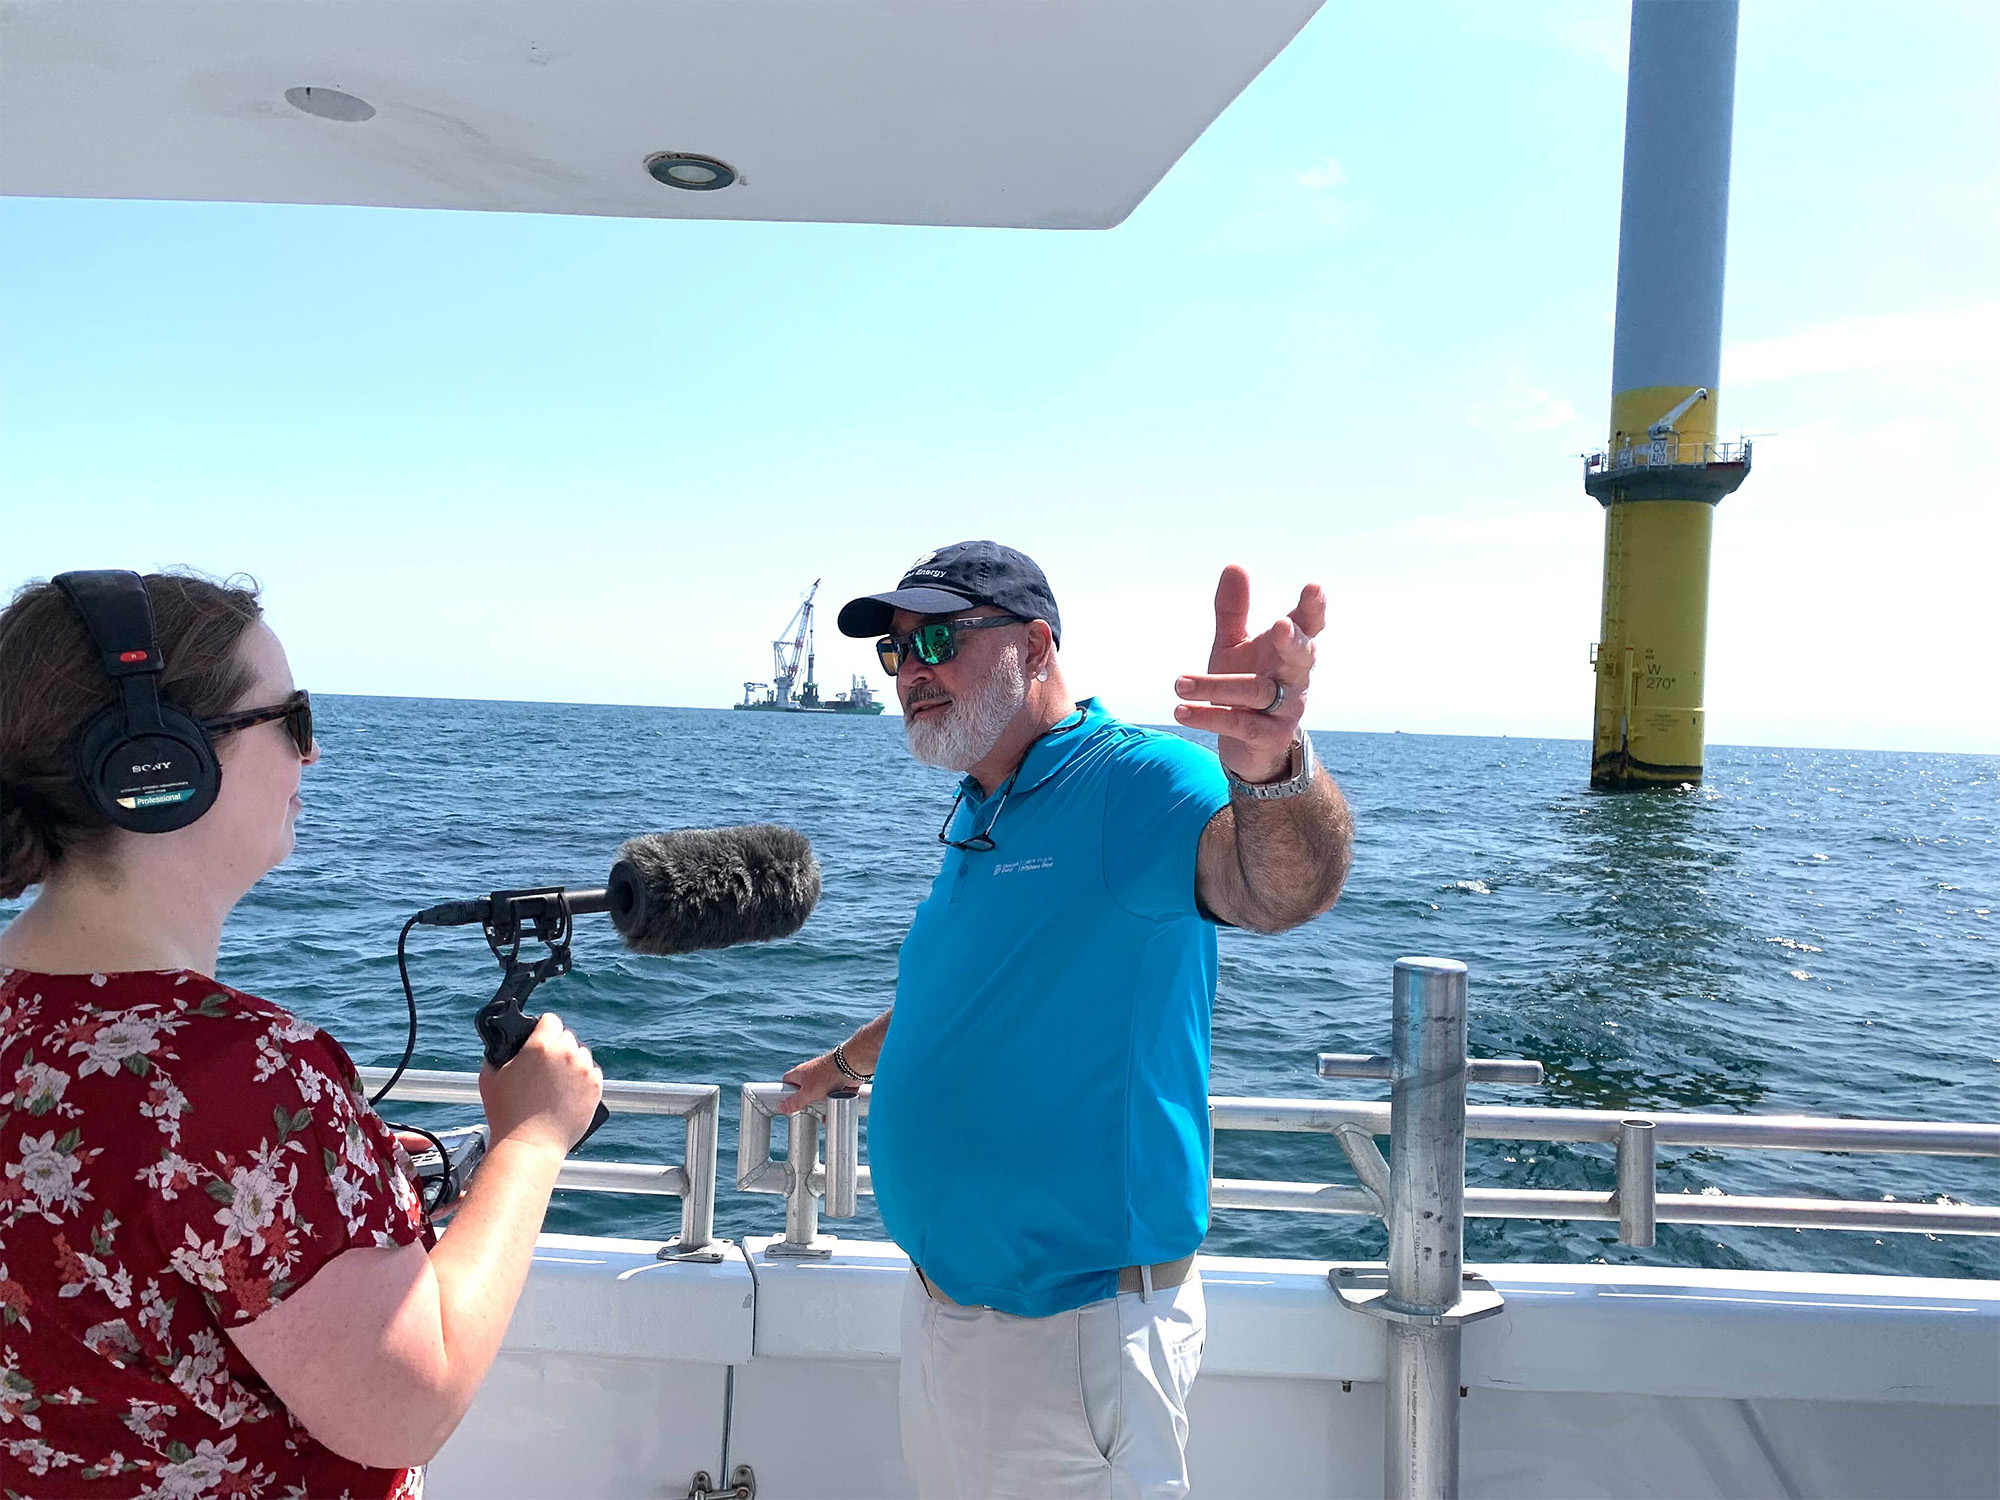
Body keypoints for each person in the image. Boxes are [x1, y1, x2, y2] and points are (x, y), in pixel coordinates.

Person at [0, 570, 603, 1498]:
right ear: (156, 761)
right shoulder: (231, 1076)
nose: (311, 758)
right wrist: (532, 1140)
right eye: (293, 720)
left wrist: (346, 1183)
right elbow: (407, 1406)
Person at [778, 541, 1353, 1499]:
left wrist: (1272, 774)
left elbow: (1276, 889)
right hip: (949, 1309)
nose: (912, 670)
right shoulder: (985, 807)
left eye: (939, 639)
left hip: (1077, 1334)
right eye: (898, 651)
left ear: (1037, 645)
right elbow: (980, 987)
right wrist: (847, 1061)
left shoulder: (1137, 784)